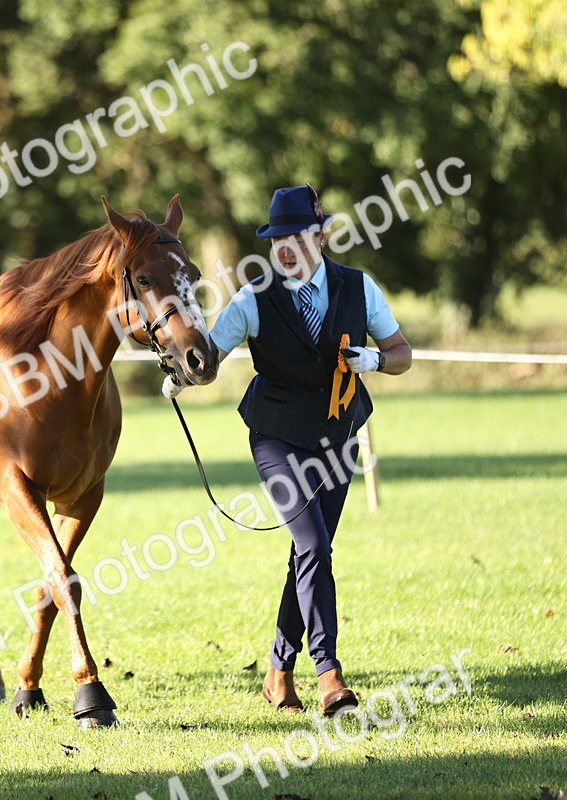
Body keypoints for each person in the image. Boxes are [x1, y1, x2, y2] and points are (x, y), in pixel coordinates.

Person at [164, 185, 412, 715]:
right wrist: (182, 376)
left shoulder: (358, 287)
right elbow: (210, 358)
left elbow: (402, 352)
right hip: (275, 436)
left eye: (294, 237)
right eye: (276, 239)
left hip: (339, 435)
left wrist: (375, 361)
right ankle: (329, 675)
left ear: (320, 236)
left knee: (309, 552)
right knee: (314, 544)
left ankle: (278, 671)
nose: (283, 248)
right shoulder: (253, 298)